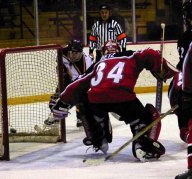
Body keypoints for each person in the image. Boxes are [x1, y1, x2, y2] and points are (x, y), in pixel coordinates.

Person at [51, 47, 178, 160]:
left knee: (85, 102)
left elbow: (79, 83)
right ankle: (142, 144)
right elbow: (150, 54)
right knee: (149, 114)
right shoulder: (130, 55)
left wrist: (63, 101)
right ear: (119, 49)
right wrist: (166, 70)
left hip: (97, 100)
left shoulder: (98, 63)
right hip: (123, 98)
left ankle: (98, 139)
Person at [44, 39, 93, 127]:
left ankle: (81, 117)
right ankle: (55, 116)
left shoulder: (87, 63)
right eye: (72, 53)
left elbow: (84, 83)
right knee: (53, 101)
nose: (74, 56)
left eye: (77, 53)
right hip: (67, 78)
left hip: (80, 81)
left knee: (80, 97)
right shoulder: (62, 52)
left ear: (81, 52)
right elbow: (60, 66)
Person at [168, 1, 192, 178]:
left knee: (179, 96)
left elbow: (184, 65)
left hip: (186, 82)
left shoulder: (185, 37)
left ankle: (185, 128)